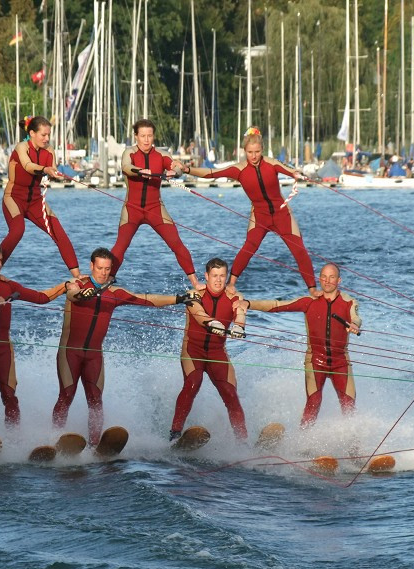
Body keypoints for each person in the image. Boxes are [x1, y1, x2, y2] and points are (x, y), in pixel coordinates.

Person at [53, 247, 195, 445]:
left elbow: (145, 299)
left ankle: (95, 444)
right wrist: (84, 294)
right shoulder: (77, 284)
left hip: (94, 356)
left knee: (96, 401)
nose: (103, 273)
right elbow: (72, 294)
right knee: (66, 395)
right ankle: (52, 438)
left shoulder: (115, 293)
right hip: (69, 353)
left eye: (107, 269)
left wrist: (178, 299)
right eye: (100, 268)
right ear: (91, 266)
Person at [181, 128, 318, 297]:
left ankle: (312, 289)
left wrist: (297, 174)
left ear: (262, 149)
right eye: (250, 152)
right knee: (248, 248)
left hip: (282, 213)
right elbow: (210, 173)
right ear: (244, 151)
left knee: (299, 250)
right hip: (259, 215)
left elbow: (290, 170)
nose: (254, 156)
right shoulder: (238, 169)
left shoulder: (271, 163)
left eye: (257, 152)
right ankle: (231, 284)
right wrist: (187, 170)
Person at [0, 241, 66, 451]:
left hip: (3, 350)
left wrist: (65, 286)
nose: (0, 263)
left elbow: (40, 297)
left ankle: (14, 441)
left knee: (10, 397)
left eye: (0, 259)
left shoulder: (9, 285)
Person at [246, 263, 361, 428]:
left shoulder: (349, 302)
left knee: (348, 404)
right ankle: (304, 443)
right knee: (314, 401)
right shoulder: (309, 301)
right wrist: (248, 304)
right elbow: (277, 305)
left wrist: (354, 325)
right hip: (315, 360)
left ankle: (354, 447)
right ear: (319, 279)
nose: (327, 281)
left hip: (341, 362)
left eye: (332, 277)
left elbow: (356, 317)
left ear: (339, 280)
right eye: (324, 277)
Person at [112, 119, 204, 290]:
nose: (146, 140)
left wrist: (173, 172)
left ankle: (195, 283)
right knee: (121, 245)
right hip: (132, 209)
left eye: (150, 136)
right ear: (136, 136)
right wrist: (139, 171)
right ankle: (106, 281)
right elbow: (126, 167)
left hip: (156, 209)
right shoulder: (129, 153)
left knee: (176, 244)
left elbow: (176, 166)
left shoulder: (161, 154)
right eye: (143, 136)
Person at [170, 257, 248, 441]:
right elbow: (197, 312)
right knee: (193, 383)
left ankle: (243, 442)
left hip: (217, 352)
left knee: (230, 393)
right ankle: (174, 434)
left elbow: (240, 311)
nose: (219, 280)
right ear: (206, 276)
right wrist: (212, 322)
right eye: (214, 276)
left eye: (222, 276)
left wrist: (239, 326)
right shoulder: (194, 294)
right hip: (192, 350)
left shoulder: (234, 297)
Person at [1, 116, 80, 278]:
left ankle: (78, 276)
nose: (47, 138)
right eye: (43, 135)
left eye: (48, 135)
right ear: (32, 133)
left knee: (59, 233)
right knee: (17, 230)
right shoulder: (21, 147)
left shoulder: (49, 150)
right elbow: (28, 166)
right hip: (13, 198)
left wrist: (54, 173)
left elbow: (52, 168)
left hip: (36, 201)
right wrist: (45, 169)